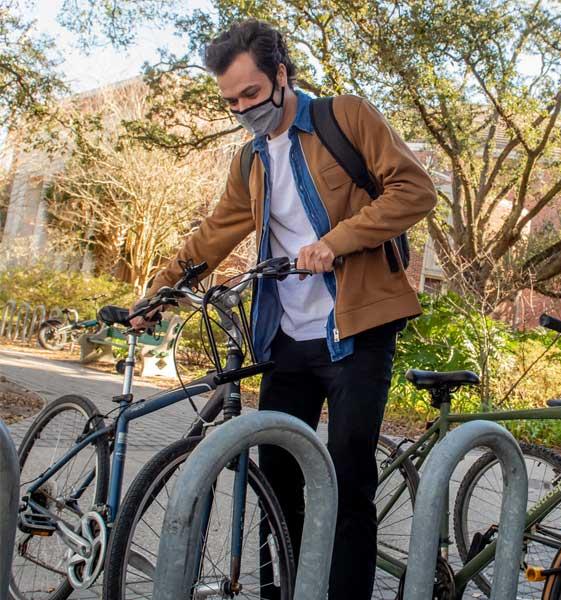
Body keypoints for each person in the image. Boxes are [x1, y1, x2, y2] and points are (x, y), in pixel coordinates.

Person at [131, 19, 436, 599]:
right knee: (276, 477)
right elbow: (212, 235)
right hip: (284, 338)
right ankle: (287, 589)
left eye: (251, 94)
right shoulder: (249, 161)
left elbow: (414, 191)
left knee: (347, 480)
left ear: (280, 74)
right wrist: (156, 295)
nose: (244, 109)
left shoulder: (346, 117)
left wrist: (337, 241)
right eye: (232, 102)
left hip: (357, 329)